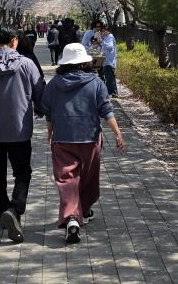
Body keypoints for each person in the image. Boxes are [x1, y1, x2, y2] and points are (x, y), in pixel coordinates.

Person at [41, 43, 126, 243]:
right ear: (85, 62)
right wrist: (118, 134)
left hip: (62, 138)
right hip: (89, 138)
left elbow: (49, 112)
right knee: (88, 178)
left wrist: (50, 133)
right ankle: (82, 211)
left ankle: (72, 216)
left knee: (67, 179)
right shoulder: (95, 83)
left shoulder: (54, 84)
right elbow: (106, 110)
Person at [0, 25, 45, 243]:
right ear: (14, 41)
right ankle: (14, 210)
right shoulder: (27, 64)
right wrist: (42, 109)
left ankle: (2, 210)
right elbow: (40, 92)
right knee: (23, 172)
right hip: (20, 131)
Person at [99, 24, 119, 97]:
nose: (102, 32)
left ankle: (113, 93)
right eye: (102, 31)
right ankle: (112, 93)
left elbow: (110, 47)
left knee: (110, 78)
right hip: (107, 60)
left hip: (109, 61)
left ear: (107, 31)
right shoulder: (106, 37)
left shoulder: (110, 37)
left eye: (104, 31)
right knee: (109, 77)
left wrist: (102, 41)